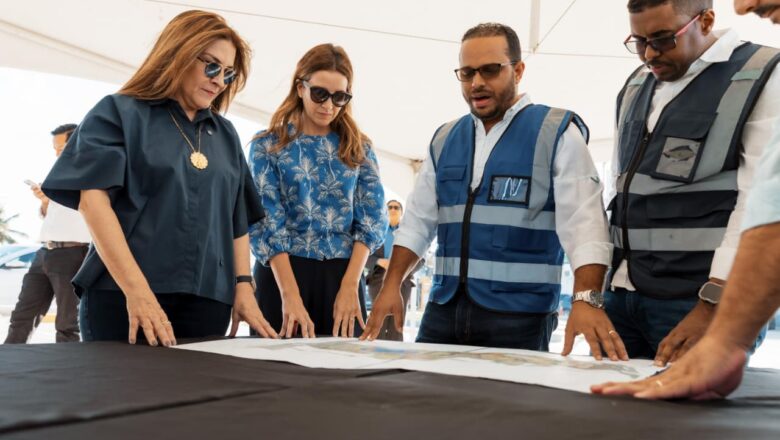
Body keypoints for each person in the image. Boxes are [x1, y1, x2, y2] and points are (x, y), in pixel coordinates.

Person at [362, 23, 622, 360]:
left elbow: (585, 226)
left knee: (509, 397)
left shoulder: (556, 133)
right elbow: (417, 223)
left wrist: (586, 300)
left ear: (518, 70)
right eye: (467, 73)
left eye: (490, 70)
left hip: (520, 318)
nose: (477, 82)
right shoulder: (444, 139)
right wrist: (392, 284)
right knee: (422, 391)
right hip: (443, 311)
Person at [40, 10, 277, 346]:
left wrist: (243, 287)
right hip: (122, 296)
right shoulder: (119, 112)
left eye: (228, 73)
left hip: (208, 302)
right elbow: (93, 204)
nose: (219, 81)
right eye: (211, 66)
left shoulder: (225, 134)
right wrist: (137, 291)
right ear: (177, 54)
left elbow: (237, 220)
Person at [592, 0, 780, 400]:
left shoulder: (763, 74)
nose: (648, 54)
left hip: (692, 303)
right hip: (622, 297)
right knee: (611, 415)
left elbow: (760, 203)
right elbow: (620, 191)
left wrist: (713, 304)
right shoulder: (636, 84)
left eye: (662, 39)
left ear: (706, 21)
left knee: (688, 418)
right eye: (638, 41)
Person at [249, 44, 388, 339]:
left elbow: (372, 219)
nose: (329, 105)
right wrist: (289, 295)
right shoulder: (267, 145)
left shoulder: (359, 148)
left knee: (340, 367)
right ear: (300, 87)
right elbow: (265, 221)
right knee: (272, 366)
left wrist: (351, 285)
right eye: (320, 94)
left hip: (344, 277)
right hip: (280, 275)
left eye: (340, 97)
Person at [4, 124, 90, 343]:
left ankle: (67, 364)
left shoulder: (89, 173)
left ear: (75, 143)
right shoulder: (57, 174)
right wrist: (45, 201)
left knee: (67, 323)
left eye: (59, 148)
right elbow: (52, 214)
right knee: (22, 316)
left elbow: (89, 211)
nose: (56, 154)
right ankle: (8, 360)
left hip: (71, 253)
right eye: (54, 149)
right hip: (44, 252)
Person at [364, 199, 421, 341]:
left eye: (396, 207)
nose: (393, 210)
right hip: (378, 279)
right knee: (379, 320)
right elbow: (365, 255)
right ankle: (376, 348)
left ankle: (396, 351)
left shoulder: (409, 233)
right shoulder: (376, 232)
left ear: (401, 212)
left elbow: (421, 259)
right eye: (390, 207)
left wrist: (403, 268)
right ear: (385, 211)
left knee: (397, 321)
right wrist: (379, 261)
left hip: (403, 280)